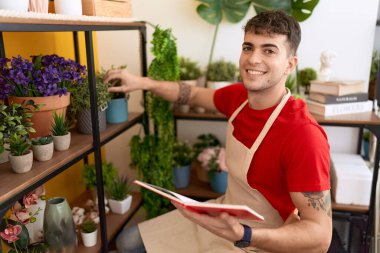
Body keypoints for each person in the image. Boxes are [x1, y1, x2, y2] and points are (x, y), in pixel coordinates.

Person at [104, 10, 332, 253]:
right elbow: (190, 94)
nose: (253, 59)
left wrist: (245, 235)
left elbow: (320, 236)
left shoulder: (303, 135)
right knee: (126, 242)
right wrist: (144, 83)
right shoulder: (238, 98)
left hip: (264, 240)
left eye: (269, 50)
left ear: (290, 64)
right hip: (224, 214)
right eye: (248, 47)